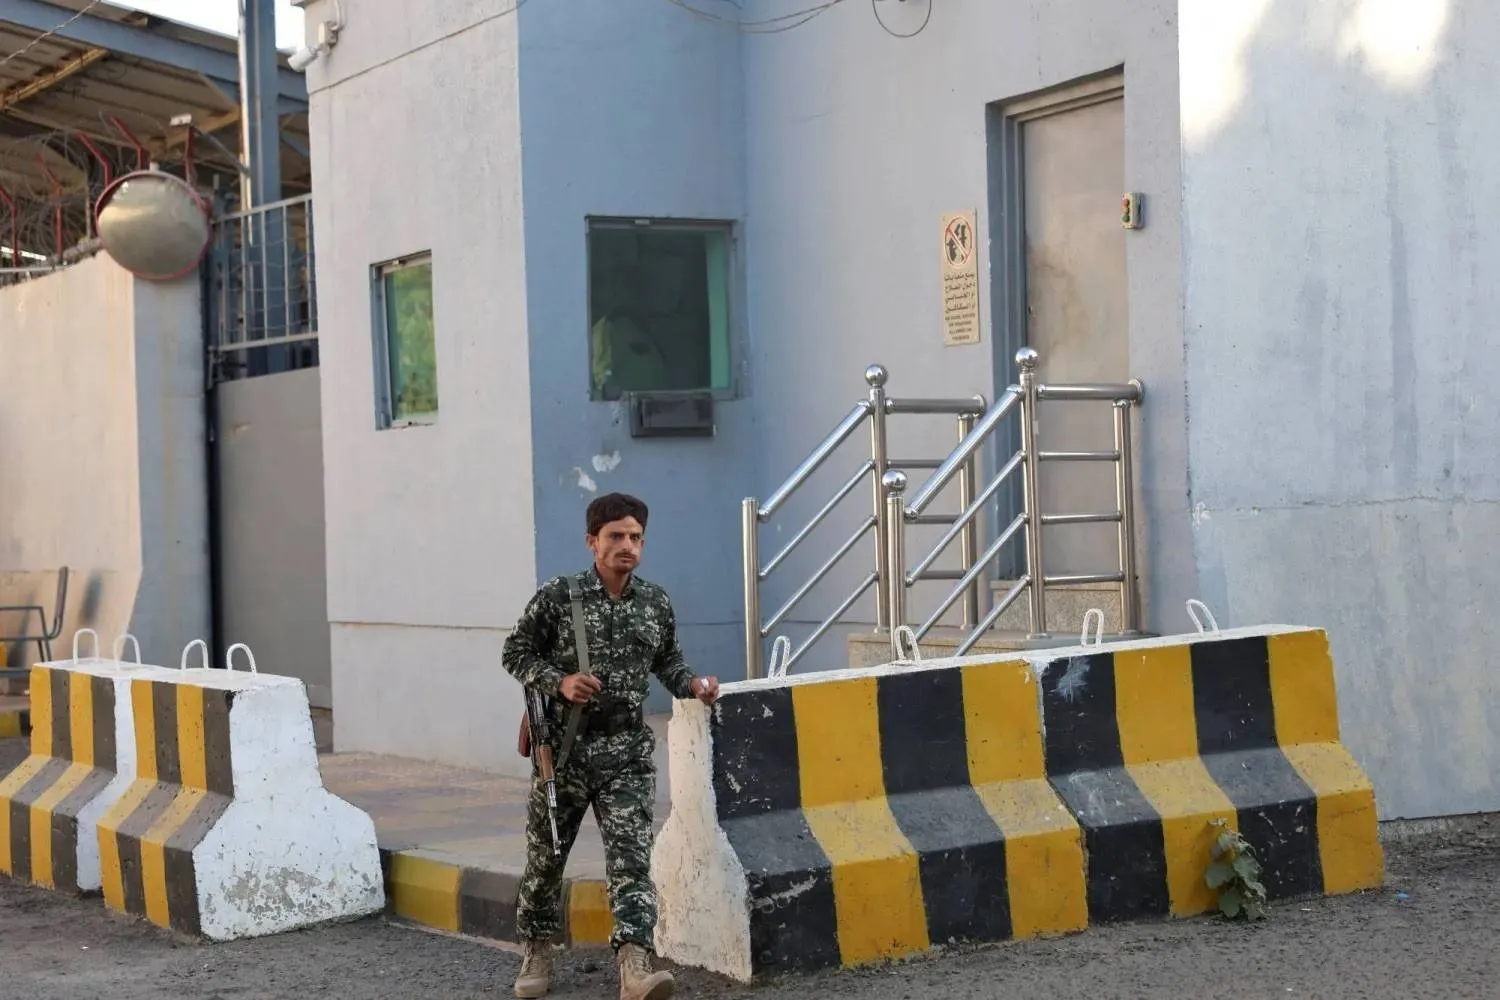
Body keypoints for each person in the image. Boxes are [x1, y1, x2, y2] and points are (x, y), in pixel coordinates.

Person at [503, 492, 720, 1000]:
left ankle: (635, 967)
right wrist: (559, 681)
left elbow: (667, 661)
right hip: (565, 753)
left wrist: (692, 685)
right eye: (616, 536)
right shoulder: (560, 597)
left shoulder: (655, 602)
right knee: (546, 857)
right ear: (592, 542)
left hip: (626, 752)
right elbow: (515, 651)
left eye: (636, 537)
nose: (628, 546)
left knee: (631, 860)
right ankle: (536, 948)